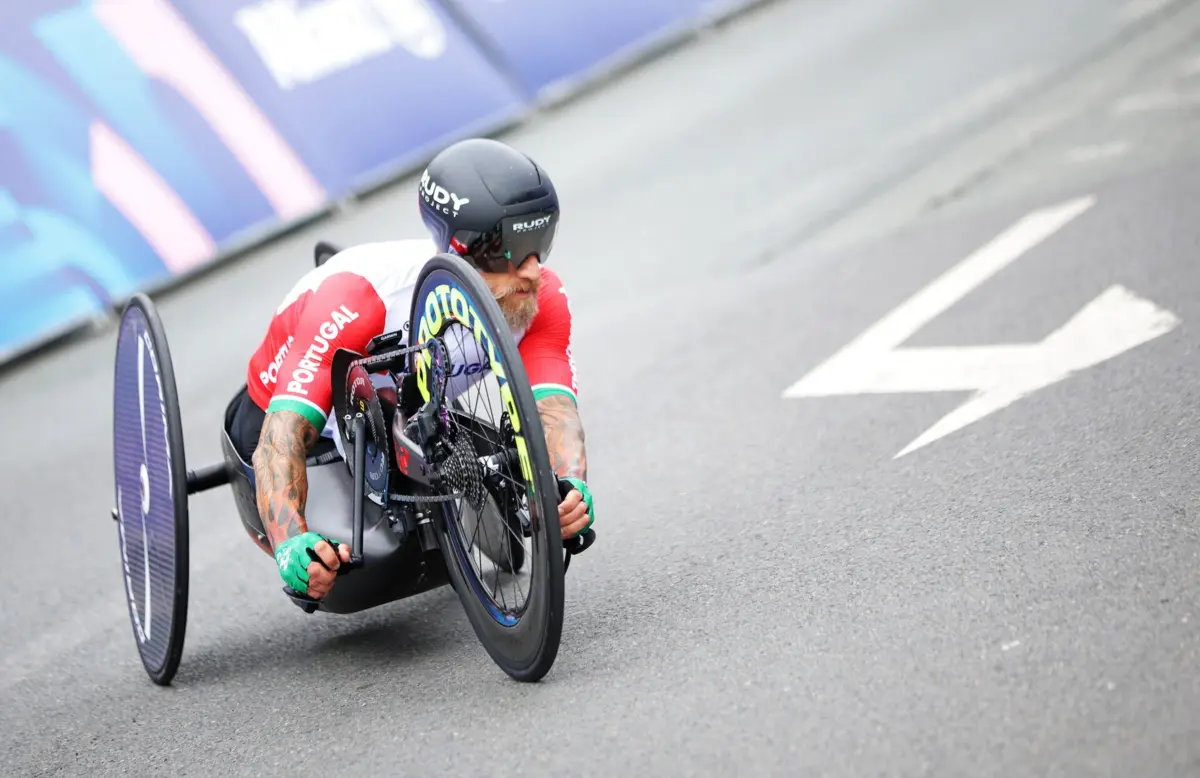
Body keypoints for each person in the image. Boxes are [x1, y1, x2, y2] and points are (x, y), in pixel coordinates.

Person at [227, 137, 594, 600]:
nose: (533, 271)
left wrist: (571, 486)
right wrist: (290, 544)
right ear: (465, 248)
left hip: (392, 408)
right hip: (284, 425)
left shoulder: (539, 299)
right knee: (361, 570)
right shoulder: (357, 300)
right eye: (513, 250)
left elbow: (555, 408)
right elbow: (277, 440)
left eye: (541, 243)